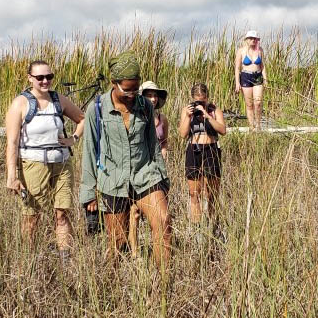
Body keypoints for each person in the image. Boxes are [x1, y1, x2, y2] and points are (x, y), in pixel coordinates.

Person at [79, 53, 171, 267]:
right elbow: (90, 150)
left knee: (164, 223)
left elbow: (153, 145)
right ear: (114, 83)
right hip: (113, 180)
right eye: (127, 90)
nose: (132, 95)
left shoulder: (145, 106)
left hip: (145, 174)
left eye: (135, 90)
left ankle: (162, 282)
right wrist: (89, 193)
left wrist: (163, 180)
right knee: (117, 243)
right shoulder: (97, 109)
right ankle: (111, 283)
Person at [4, 60, 85, 259]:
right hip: (32, 164)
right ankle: (28, 259)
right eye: (40, 77)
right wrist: (12, 176)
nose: (45, 81)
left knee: (62, 212)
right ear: (30, 78)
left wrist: (73, 139)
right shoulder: (20, 103)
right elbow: (12, 142)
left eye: (49, 77)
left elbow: (82, 119)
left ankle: (65, 259)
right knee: (32, 215)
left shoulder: (59, 100)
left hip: (62, 163)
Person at [126, 81, 170, 257]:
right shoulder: (136, 116)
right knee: (134, 211)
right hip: (140, 167)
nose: (153, 99)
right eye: (149, 95)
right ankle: (135, 251)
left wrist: (164, 154)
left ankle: (157, 248)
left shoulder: (161, 118)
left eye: (155, 95)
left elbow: (164, 141)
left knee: (159, 213)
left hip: (157, 168)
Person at [178, 83, 227, 226]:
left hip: (211, 149)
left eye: (203, 100)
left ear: (207, 98)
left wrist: (207, 116)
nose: (200, 103)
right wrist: (188, 116)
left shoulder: (214, 110)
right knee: (194, 193)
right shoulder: (187, 110)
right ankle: (197, 227)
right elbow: (182, 134)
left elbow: (223, 130)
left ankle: (213, 225)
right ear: (192, 98)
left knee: (212, 194)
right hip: (194, 150)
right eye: (197, 100)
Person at [234, 30, 267, 130]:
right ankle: (251, 127)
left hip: (257, 76)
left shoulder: (260, 50)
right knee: (249, 104)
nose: (253, 40)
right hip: (246, 77)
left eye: (255, 39)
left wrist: (265, 79)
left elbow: (262, 66)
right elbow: (237, 68)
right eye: (251, 38)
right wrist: (237, 83)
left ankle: (258, 126)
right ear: (247, 39)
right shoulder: (241, 51)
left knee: (258, 102)